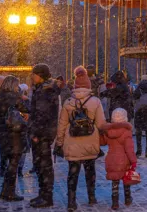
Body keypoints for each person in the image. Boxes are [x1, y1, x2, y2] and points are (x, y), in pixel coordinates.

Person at [55, 66, 106, 211]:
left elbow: (62, 125)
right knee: (90, 171)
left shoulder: (68, 102)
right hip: (90, 141)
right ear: (89, 85)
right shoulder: (95, 101)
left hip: (72, 141)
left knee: (73, 172)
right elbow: (101, 124)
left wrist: (59, 143)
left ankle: (71, 201)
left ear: (75, 85)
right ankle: (91, 196)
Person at [28, 63, 60, 208]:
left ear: (40, 75)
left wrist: (36, 133)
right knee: (41, 165)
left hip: (42, 135)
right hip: (44, 133)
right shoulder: (44, 89)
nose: (32, 77)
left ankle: (46, 196)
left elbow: (42, 115)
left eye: (33, 74)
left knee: (43, 165)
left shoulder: (45, 91)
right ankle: (43, 194)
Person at [0, 76, 30, 201]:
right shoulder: (14, 97)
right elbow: (27, 108)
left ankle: (5, 191)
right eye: (17, 85)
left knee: (10, 163)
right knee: (14, 164)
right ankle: (9, 192)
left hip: (4, 134)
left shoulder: (1, 97)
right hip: (14, 135)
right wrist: (24, 98)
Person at [100, 108, 137, 210]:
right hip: (124, 160)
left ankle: (115, 202)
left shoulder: (108, 131)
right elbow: (129, 149)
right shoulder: (126, 132)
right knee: (126, 180)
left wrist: (101, 133)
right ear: (125, 118)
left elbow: (102, 142)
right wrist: (133, 161)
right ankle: (128, 198)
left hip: (111, 159)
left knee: (114, 181)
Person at [17, 83, 31, 177]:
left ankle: (19, 168)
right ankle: (19, 168)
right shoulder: (24, 101)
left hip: (22, 129)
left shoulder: (26, 101)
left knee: (22, 150)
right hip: (22, 128)